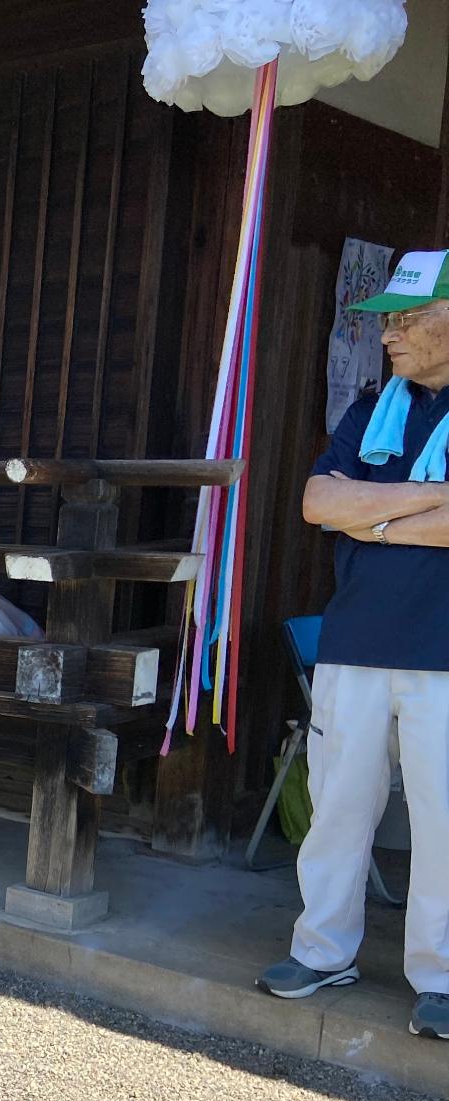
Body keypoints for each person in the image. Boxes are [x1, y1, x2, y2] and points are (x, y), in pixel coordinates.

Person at [258, 248, 449, 1043]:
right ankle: (322, 950)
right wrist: (423, 501)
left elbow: (345, 505)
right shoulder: (371, 407)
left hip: (442, 654)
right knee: (337, 808)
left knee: (444, 823)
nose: (391, 336)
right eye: (387, 321)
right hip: (355, 642)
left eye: (409, 319)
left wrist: (365, 516)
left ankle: (440, 976)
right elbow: (314, 501)